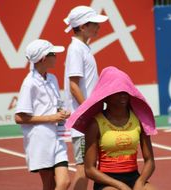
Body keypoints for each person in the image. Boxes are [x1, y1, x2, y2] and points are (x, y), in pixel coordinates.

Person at [66, 66, 158, 190]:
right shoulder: (95, 124)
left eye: (126, 91)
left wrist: (140, 182)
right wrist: (120, 185)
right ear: (106, 96)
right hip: (107, 182)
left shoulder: (139, 120)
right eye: (118, 92)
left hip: (134, 178)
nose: (123, 95)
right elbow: (89, 169)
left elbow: (150, 161)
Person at [15, 39, 71, 190]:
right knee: (49, 184)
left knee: (64, 182)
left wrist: (61, 113)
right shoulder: (29, 83)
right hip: (39, 140)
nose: (56, 56)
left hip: (57, 137)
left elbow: (54, 106)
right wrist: (51, 118)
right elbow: (19, 117)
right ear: (43, 58)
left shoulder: (52, 78)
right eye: (53, 53)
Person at [62, 5, 108, 190]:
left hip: (88, 118)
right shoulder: (76, 49)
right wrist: (88, 110)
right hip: (83, 120)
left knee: (90, 168)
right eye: (94, 24)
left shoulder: (83, 48)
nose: (98, 27)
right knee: (83, 169)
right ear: (82, 26)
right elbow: (74, 85)